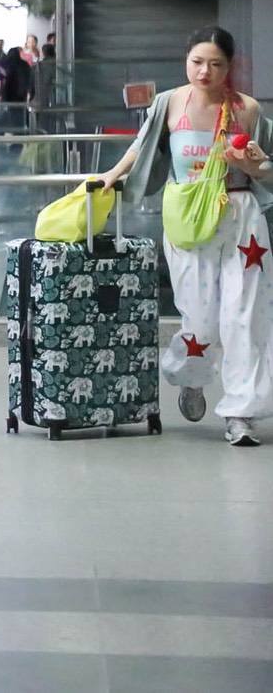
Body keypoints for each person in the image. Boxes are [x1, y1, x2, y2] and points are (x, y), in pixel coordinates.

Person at [99, 27, 273, 446]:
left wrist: (249, 165)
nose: (205, 71)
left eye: (216, 64)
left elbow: (267, 169)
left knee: (245, 314)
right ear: (186, 61)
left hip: (240, 218)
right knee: (200, 315)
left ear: (229, 67)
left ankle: (241, 412)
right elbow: (142, 146)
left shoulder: (247, 109)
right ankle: (192, 375)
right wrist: (112, 174)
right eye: (197, 62)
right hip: (187, 220)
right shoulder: (169, 102)